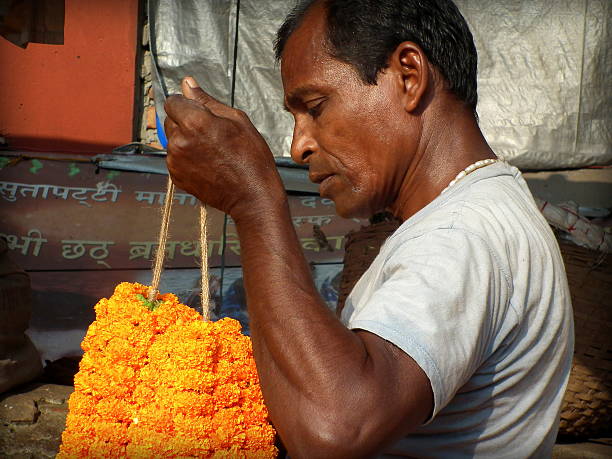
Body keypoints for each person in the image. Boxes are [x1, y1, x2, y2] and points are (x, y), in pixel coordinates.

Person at [163, 0, 574, 456]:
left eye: (315, 108)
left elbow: (335, 428)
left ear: (409, 76)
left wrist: (255, 203)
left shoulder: (460, 233)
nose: (298, 145)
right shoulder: (475, 212)